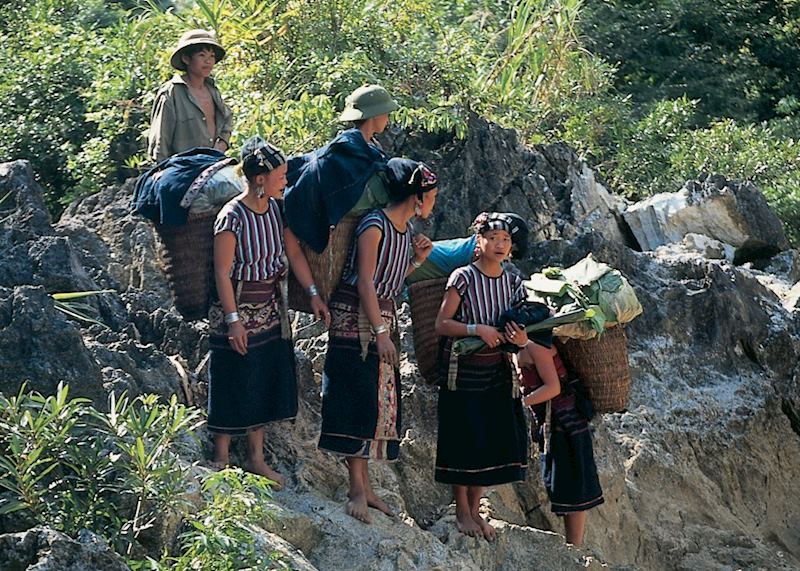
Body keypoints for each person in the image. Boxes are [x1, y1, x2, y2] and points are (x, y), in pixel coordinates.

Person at [318, 158, 438, 522]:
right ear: (417, 197)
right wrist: (381, 333)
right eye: (432, 196)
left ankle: (366, 487)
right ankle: (356, 489)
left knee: (375, 404)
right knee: (356, 398)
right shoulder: (374, 225)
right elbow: (366, 282)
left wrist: (416, 262)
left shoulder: (405, 230)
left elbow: (390, 280)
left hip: (380, 317)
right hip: (355, 319)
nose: (434, 202)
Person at [208, 137, 330, 487]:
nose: (285, 182)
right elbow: (222, 273)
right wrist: (233, 321)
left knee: (261, 377)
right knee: (231, 377)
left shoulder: (277, 211)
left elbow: (294, 254)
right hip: (236, 310)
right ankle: (220, 457)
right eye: (281, 176)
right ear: (260, 179)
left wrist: (313, 294)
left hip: (270, 309)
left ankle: (256, 459)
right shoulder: (231, 217)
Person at [433, 212, 531, 541]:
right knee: (463, 439)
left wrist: (521, 338)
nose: (499, 245)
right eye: (493, 238)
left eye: (505, 240)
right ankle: (462, 511)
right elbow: (442, 324)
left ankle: (476, 510)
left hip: (497, 370)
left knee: (488, 441)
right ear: (480, 241)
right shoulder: (463, 277)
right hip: (463, 372)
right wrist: (477, 329)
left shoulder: (513, 282)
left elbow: (522, 324)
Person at [283, 84, 399, 253]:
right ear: (375, 115)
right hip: (344, 236)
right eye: (386, 114)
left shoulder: (372, 148)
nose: (387, 119)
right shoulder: (345, 150)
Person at [518, 342, 604, 547]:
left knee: (573, 487)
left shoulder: (536, 346)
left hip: (567, 424)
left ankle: (575, 548)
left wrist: (519, 403)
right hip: (555, 423)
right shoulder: (520, 349)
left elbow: (553, 387)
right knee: (564, 486)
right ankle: (573, 547)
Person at [148, 29, 234, 163]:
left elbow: (227, 117)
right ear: (186, 59)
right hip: (182, 165)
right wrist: (162, 167)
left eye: (211, 56)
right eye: (202, 55)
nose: (208, 61)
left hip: (213, 161)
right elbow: (161, 138)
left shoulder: (212, 89)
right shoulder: (172, 92)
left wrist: (222, 143)